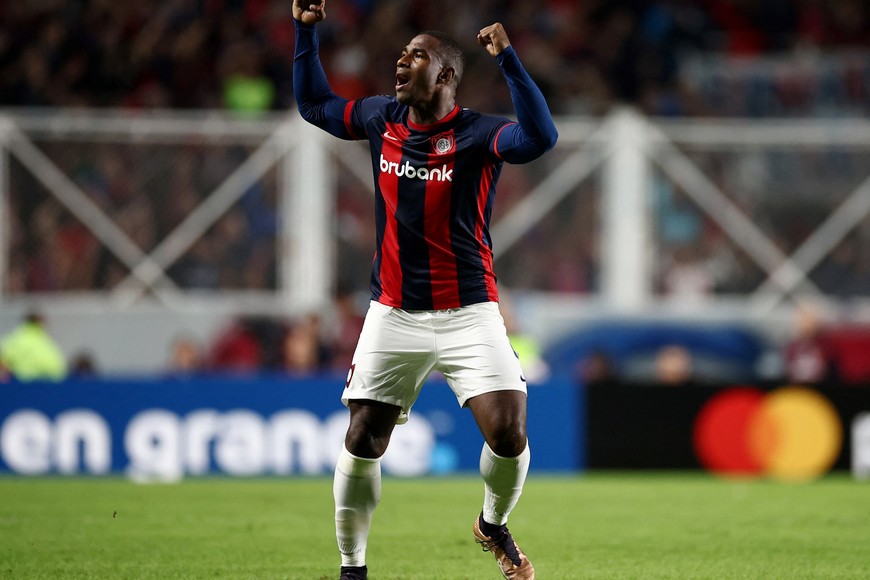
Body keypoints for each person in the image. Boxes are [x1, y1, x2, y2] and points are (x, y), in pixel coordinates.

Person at [292, 2, 558, 579]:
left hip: (469, 312)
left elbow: (541, 135)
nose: (401, 62)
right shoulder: (378, 118)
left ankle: (492, 523)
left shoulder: (479, 134)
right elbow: (313, 104)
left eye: (417, 56)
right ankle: (352, 568)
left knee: (509, 433)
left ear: (445, 76)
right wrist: (305, 32)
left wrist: (510, 60)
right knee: (364, 435)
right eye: (401, 54)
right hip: (394, 313)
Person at [0, 312, 68, 382]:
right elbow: (58, 369)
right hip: (45, 385)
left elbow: (3, 363)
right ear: (40, 323)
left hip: (20, 385)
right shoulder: (46, 343)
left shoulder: (13, 340)